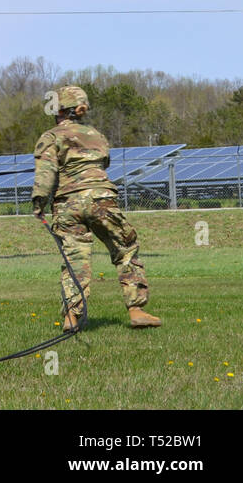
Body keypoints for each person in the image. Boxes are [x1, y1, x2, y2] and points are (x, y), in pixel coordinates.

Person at [32, 85, 160, 330]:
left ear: (58, 109)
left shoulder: (50, 137)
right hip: (102, 200)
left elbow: (46, 172)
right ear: (81, 109)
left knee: (74, 259)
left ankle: (72, 317)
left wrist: (39, 202)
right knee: (125, 249)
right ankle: (136, 310)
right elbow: (104, 163)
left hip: (67, 204)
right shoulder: (97, 136)